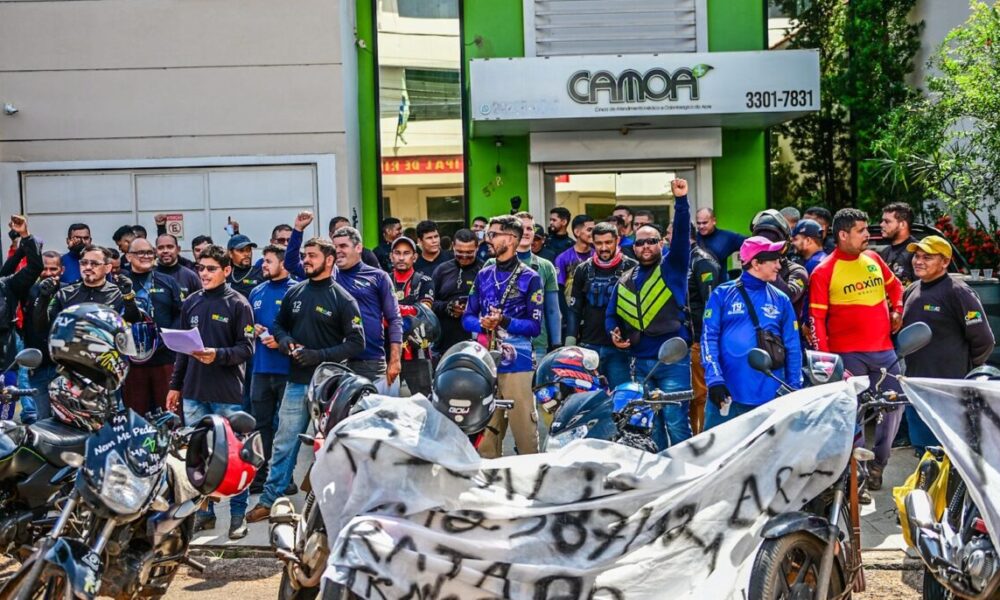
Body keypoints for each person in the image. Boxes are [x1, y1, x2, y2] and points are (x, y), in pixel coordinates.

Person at [246, 237, 365, 524]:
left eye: (312, 255)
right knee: (285, 442)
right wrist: (285, 342)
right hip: (297, 382)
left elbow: (357, 343)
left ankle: (335, 506)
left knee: (332, 447)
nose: (306, 260)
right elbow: (279, 325)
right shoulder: (295, 293)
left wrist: (318, 355)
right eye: (304, 256)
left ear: (329, 259)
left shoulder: (343, 299)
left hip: (331, 388)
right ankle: (269, 499)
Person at [809, 208, 904, 490]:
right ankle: (858, 477)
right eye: (861, 231)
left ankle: (878, 466)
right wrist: (829, 363)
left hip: (885, 351)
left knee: (894, 406)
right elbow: (816, 321)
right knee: (854, 414)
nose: (868, 235)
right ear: (843, 234)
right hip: (848, 355)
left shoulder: (874, 258)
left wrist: (897, 310)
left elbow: (896, 287)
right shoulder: (824, 271)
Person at [166, 245, 254, 539]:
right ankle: (204, 512)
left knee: (237, 456)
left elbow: (247, 349)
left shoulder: (239, 304)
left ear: (226, 270)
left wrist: (217, 354)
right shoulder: (191, 303)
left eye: (211, 268)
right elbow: (181, 351)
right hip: (193, 392)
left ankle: (238, 516)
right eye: (201, 268)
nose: (204, 274)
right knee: (197, 456)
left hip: (227, 394)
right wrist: (175, 386)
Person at [607, 179, 693, 447]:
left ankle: (684, 476)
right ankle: (657, 479)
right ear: (634, 247)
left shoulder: (673, 268)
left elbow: (680, 238)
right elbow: (612, 314)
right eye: (641, 243)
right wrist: (614, 333)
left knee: (676, 422)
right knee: (646, 427)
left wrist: (681, 202)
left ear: (661, 244)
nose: (646, 246)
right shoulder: (625, 279)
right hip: (640, 362)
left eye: (652, 241)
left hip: (672, 362)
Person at [900, 236, 995, 451]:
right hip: (916, 386)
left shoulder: (958, 292)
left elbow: (984, 340)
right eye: (917, 256)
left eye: (927, 257)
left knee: (948, 453)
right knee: (923, 452)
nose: (918, 261)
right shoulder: (912, 289)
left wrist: (964, 369)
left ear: (944, 262)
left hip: (948, 391)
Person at [463, 215, 543, 457]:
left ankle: (531, 483)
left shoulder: (531, 277)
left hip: (517, 362)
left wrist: (505, 321)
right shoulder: (483, 275)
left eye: (493, 234)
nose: (488, 239)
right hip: (484, 360)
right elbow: (467, 316)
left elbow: (534, 327)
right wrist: (481, 322)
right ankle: (487, 483)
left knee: (524, 430)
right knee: (485, 430)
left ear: (511, 238)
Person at [702, 237, 803, 429]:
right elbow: (709, 338)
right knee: (717, 456)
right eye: (773, 259)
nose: (779, 265)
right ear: (756, 263)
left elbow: (793, 347)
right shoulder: (721, 294)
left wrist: (794, 388)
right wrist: (714, 380)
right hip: (726, 394)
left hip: (771, 397)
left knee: (768, 457)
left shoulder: (781, 299)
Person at [246, 244, 296, 494]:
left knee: (286, 428)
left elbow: (303, 329)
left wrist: (281, 341)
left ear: (283, 263)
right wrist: (251, 331)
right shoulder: (256, 292)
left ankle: (285, 478)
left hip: (288, 370)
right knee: (261, 425)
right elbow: (244, 328)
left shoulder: (296, 290)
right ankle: (260, 476)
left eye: (267, 261)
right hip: (260, 370)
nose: (263, 265)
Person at [566, 222, 636, 388]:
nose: (604, 247)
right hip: (589, 346)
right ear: (592, 242)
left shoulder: (632, 267)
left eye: (608, 242)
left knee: (622, 398)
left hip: (621, 349)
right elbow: (575, 310)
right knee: (589, 398)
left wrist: (634, 338)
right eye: (599, 243)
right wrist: (569, 345)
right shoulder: (583, 270)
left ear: (617, 241)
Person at [120, 237, 183, 415]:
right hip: (133, 362)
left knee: (170, 414)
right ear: (128, 256)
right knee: (136, 416)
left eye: (149, 252)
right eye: (140, 252)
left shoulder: (167, 281)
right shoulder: (121, 284)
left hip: (165, 359)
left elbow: (180, 313)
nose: (146, 256)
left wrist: (166, 338)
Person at [487, 212, 562, 360]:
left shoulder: (546, 266)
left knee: (536, 384)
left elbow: (552, 310)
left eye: (530, 228)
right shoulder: (491, 265)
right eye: (522, 228)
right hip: (501, 343)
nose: (526, 232)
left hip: (537, 346)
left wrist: (556, 345)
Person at [37, 245, 141, 333]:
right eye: (84, 263)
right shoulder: (64, 293)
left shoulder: (119, 293)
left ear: (108, 268)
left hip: (109, 355)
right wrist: (43, 298)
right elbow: (42, 327)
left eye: (94, 264)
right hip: (71, 354)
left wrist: (128, 296)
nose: (88, 267)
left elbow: (135, 322)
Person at [681, 224, 721, 435]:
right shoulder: (680, 260)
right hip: (683, 341)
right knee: (690, 396)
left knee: (700, 394)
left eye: (670, 233)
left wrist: (706, 339)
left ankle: (704, 440)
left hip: (699, 339)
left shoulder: (702, 260)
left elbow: (711, 303)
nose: (667, 238)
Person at [1, 216, 42, 414]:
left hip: (5, 367)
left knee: (5, 423)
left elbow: (34, 267)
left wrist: (25, 236)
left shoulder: (7, 286)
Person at [389, 236, 434, 396]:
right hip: (389, 351)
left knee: (424, 402)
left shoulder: (424, 281)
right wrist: (408, 309)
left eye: (406, 253)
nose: (401, 257)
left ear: (414, 257)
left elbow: (424, 311)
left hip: (418, 351)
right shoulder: (383, 280)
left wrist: (391, 310)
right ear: (391, 256)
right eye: (397, 253)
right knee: (386, 404)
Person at [20, 249, 59, 421]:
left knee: (66, 421)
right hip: (38, 367)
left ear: (62, 270)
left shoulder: (69, 293)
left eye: (53, 269)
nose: (48, 274)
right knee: (43, 421)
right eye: (45, 269)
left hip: (62, 369)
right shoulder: (28, 291)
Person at [751, 209, 809, 321]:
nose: (766, 247)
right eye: (762, 243)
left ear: (785, 246)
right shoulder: (752, 269)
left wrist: (769, 268)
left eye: (772, 243)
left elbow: (789, 296)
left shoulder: (797, 271)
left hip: (786, 335)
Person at [431, 229, 481, 356]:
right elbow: (428, 304)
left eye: (469, 252)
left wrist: (471, 307)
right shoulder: (442, 270)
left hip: (477, 345)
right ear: (453, 247)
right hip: (444, 345)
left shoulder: (484, 270)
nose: (464, 256)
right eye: (460, 252)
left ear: (477, 248)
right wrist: (448, 307)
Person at [696, 208, 746, 279]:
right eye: (698, 223)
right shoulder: (693, 239)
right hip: (697, 286)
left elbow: (752, 244)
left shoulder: (726, 238)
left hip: (719, 286)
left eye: (705, 223)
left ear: (714, 221)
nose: (701, 226)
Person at [879, 202, 918, 288]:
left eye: (887, 221)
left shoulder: (917, 251)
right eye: (882, 221)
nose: (881, 224)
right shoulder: (885, 252)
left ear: (902, 224)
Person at [555, 215, 594, 296]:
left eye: (594, 230)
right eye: (589, 230)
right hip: (570, 304)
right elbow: (559, 288)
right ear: (577, 232)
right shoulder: (562, 258)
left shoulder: (597, 255)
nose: (593, 233)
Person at [155, 234, 201, 298]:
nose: (165, 251)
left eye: (170, 247)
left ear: (178, 249)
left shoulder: (190, 277)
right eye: (161, 248)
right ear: (156, 251)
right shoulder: (148, 277)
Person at [226, 234, 263, 299]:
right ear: (230, 254)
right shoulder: (225, 275)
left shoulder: (260, 273)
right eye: (241, 250)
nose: (246, 254)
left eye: (248, 250)